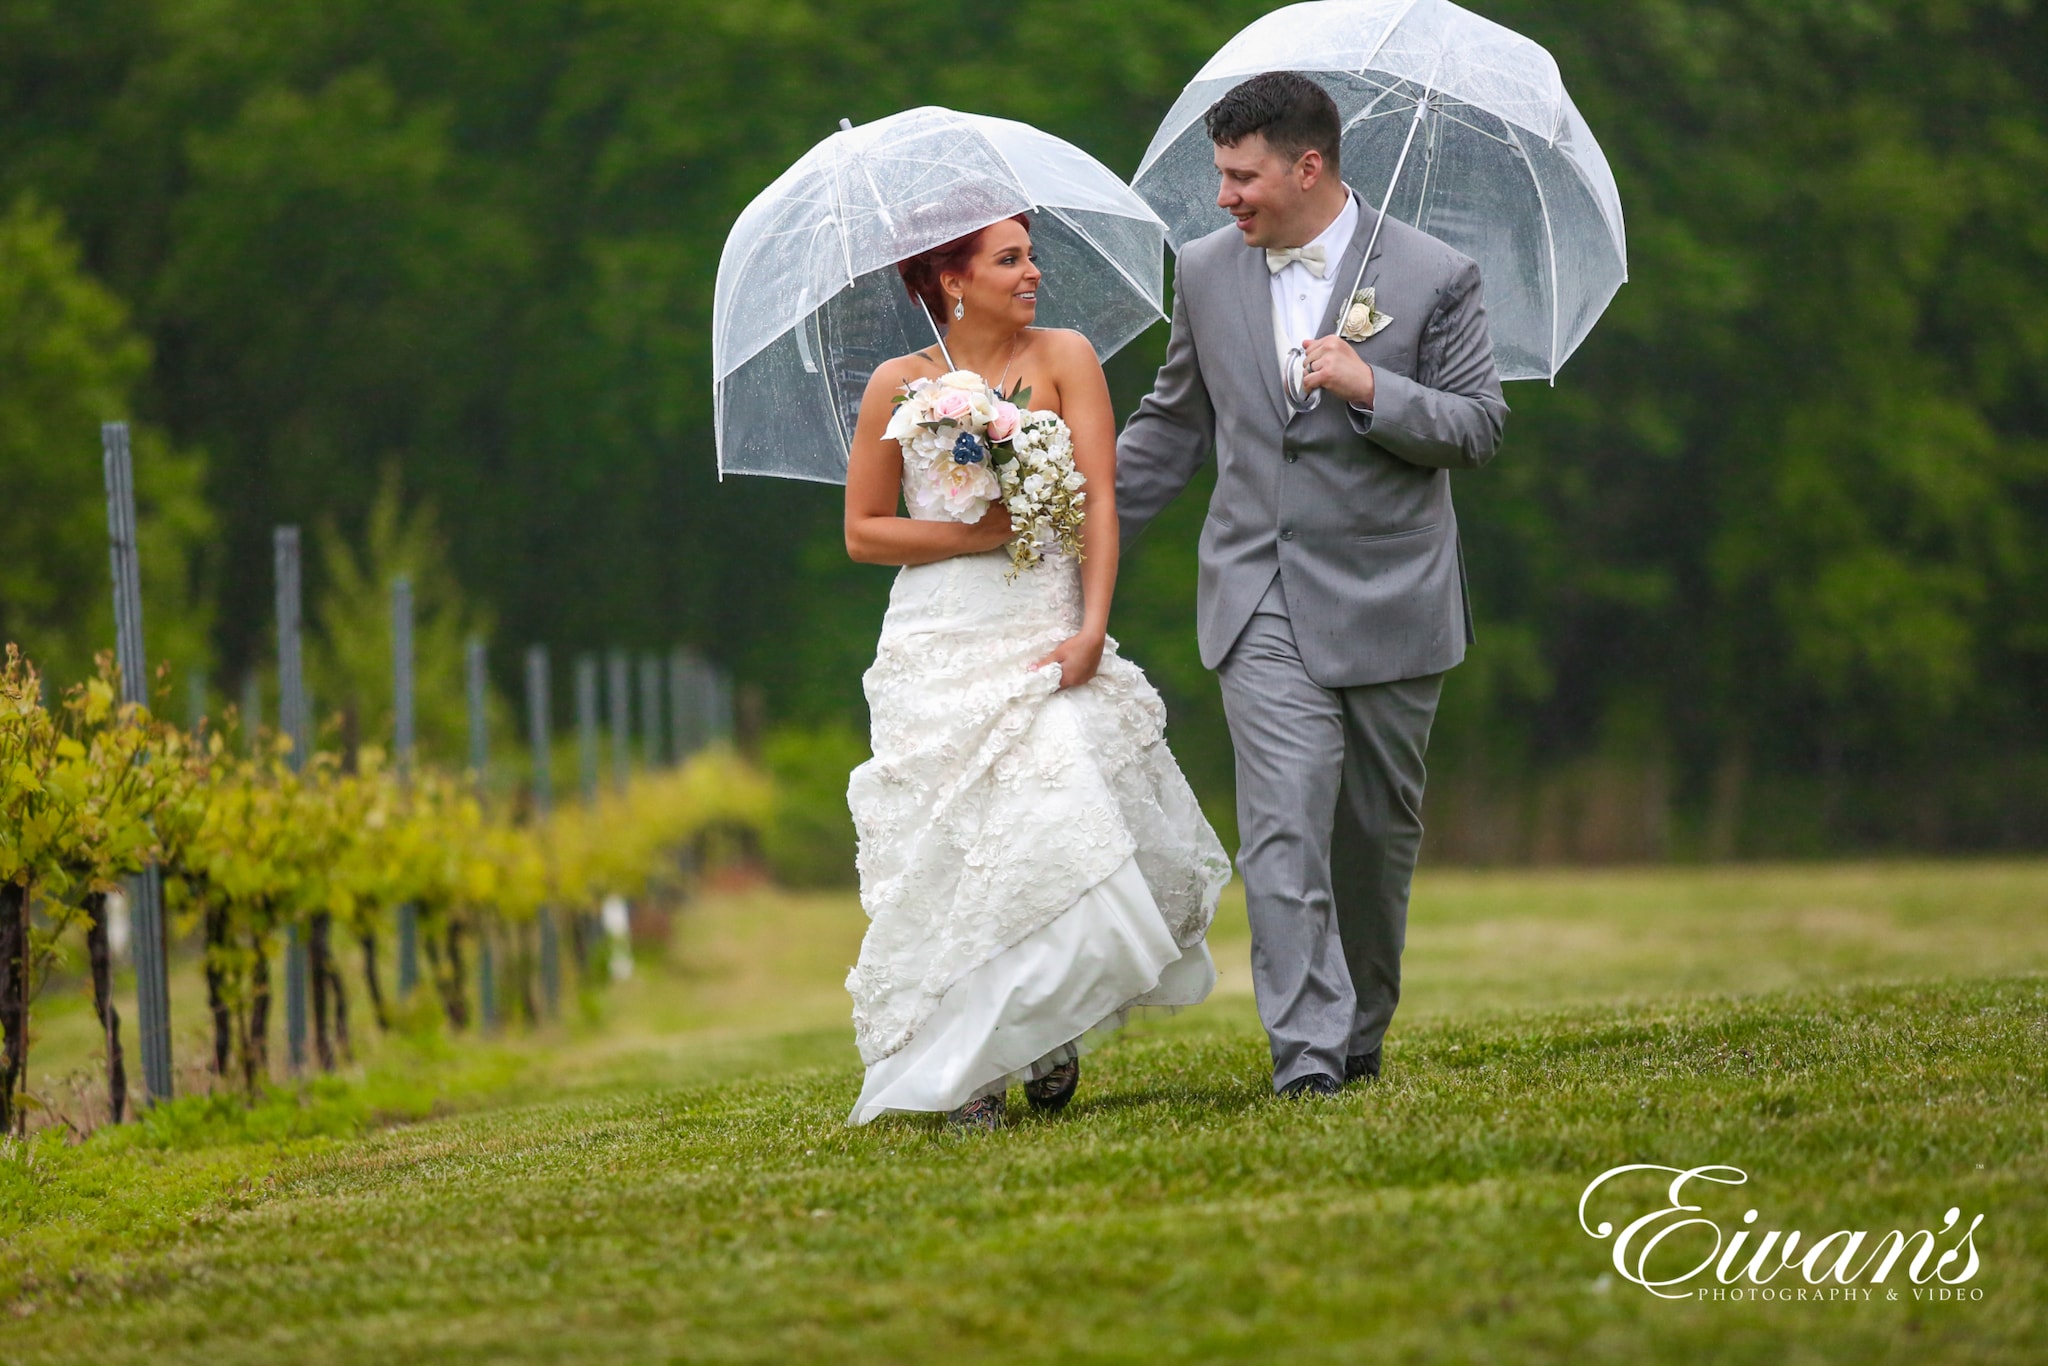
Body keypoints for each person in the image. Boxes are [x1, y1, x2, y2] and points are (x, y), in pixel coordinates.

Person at [1117, 71, 1507, 1098]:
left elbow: (1475, 427)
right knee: (1283, 824)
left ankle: (1360, 1032)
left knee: (1371, 838)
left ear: (1307, 166)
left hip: (1390, 599)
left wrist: (1372, 385)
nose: (1223, 199)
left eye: (1241, 178)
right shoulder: (1201, 272)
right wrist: (1076, 530)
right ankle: (1305, 1060)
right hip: (1257, 596)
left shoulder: (1435, 274)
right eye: (1218, 177)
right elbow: (1169, 424)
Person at [840, 212, 1231, 1131]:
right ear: (951, 278)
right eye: (1010, 259)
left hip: (1041, 626)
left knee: (1059, 817)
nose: (1032, 273)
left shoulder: (1066, 358)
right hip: (938, 637)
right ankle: (976, 1068)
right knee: (959, 849)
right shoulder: (898, 386)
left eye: (1031, 255)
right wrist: (971, 534)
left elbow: (1097, 506)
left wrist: (1093, 626)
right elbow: (864, 532)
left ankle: (1049, 1028)